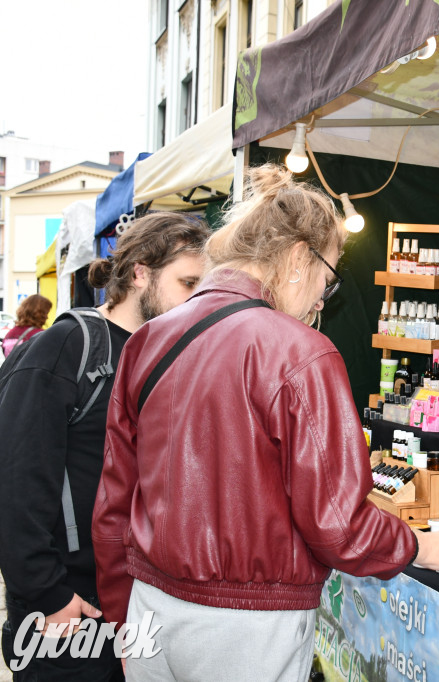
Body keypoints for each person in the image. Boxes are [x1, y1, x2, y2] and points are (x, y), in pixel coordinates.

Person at [92, 165, 439, 681]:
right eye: (328, 279)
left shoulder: (148, 339)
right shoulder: (301, 352)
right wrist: (423, 547)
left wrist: (121, 617)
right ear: (299, 258)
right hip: (247, 628)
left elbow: (114, 499)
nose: (322, 300)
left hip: (148, 608)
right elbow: (337, 525)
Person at [0, 212, 210, 680]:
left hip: (141, 604)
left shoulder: (174, 357)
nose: (197, 299)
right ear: (140, 273)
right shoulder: (67, 347)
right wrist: (46, 593)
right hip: (69, 609)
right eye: (187, 282)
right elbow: (15, 478)